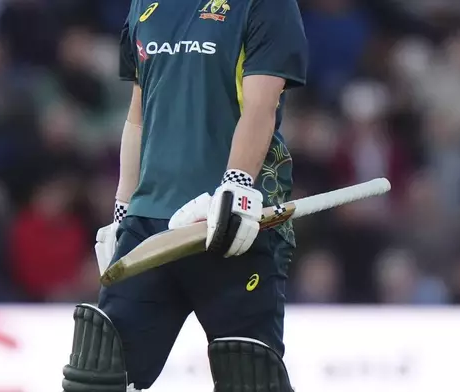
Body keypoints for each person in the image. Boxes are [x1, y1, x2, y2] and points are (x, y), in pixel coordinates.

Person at [61, 0, 307, 391]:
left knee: (250, 379)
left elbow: (262, 102)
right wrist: (124, 208)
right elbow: (139, 114)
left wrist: (237, 184)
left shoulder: (264, 5)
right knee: (95, 377)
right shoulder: (144, 5)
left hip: (232, 222)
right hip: (150, 226)